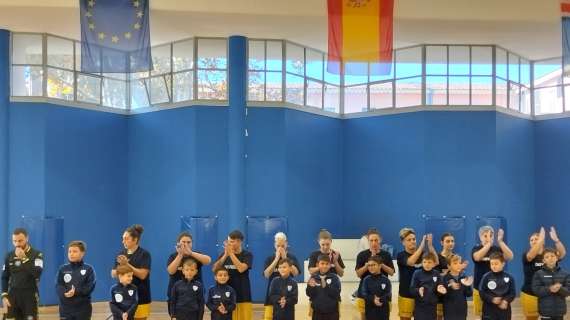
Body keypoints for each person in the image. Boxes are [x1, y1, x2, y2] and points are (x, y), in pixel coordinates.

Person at [521, 227, 566, 320]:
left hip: (548, 294)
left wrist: (556, 240)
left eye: (536, 239)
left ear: (543, 241)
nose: (533, 241)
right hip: (530, 294)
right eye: (531, 240)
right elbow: (530, 256)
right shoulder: (527, 254)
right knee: (531, 318)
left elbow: (562, 254)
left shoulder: (549, 255)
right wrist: (540, 240)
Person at [1, 228, 43, 320]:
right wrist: (4, 295)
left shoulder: (37, 254)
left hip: (29, 296)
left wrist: (24, 258)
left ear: (27, 238)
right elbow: (4, 277)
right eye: (14, 241)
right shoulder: (9, 255)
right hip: (13, 295)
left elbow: (37, 273)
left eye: (20, 241)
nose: (17, 244)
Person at [396, 228, 438, 320]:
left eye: (414, 239)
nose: (412, 242)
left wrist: (430, 246)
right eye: (409, 240)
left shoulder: (423, 255)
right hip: (406, 295)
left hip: (421, 296)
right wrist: (422, 246)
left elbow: (436, 262)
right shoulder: (401, 255)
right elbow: (411, 262)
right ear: (403, 242)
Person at [471, 225, 513, 318]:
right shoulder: (476, 248)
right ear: (480, 237)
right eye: (485, 236)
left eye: (490, 236)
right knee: (481, 315)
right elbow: (477, 257)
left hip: (497, 290)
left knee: (495, 314)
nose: (488, 238)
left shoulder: (497, 249)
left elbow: (510, 256)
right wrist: (488, 244)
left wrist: (500, 242)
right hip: (480, 289)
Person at [111, 224, 152, 320]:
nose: (123, 241)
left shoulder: (144, 254)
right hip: (122, 298)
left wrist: (127, 264)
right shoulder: (121, 254)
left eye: (126, 238)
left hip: (141, 297)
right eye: (122, 238)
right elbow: (113, 274)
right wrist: (120, 269)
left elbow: (142, 275)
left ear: (135, 239)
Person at [166, 232, 211, 317]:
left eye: (188, 242)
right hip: (177, 297)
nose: (186, 244)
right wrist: (180, 255)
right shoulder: (173, 256)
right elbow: (171, 271)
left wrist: (191, 253)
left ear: (192, 243)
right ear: (178, 243)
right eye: (183, 242)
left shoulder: (196, 254)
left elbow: (208, 260)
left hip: (194, 297)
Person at [212, 230, 253, 320]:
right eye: (230, 241)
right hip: (226, 297)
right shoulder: (224, 255)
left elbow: (241, 268)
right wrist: (225, 255)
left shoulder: (247, 255)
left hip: (243, 295)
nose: (231, 244)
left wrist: (231, 254)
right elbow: (214, 269)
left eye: (233, 242)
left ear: (239, 242)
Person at [355, 228, 394, 320]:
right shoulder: (362, 255)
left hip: (382, 294)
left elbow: (391, 272)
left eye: (376, 240)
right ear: (368, 241)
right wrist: (367, 265)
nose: (374, 243)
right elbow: (358, 274)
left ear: (380, 240)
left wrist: (379, 262)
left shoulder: (386, 255)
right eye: (371, 240)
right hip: (365, 294)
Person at [263, 232, 300, 320]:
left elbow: (296, 273)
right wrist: (276, 259)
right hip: (272, 298)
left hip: (288, 300)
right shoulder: (270, 258)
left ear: (286, 244)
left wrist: (285, 258)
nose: (280, 248)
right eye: (278, 245)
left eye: (282, 246)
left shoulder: (292, 257)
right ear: (274, 245)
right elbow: (266, 274)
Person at [55, 240, 96, 320]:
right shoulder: (62, 269)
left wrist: (75, 292)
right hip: (65, 310)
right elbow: (58, 285)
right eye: (69, 251)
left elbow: (89, 287)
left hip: (83, 309)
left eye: (75, 251)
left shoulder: (88, 269)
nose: (71, 254)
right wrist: (65, 292)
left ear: (82, 253)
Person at [531, 247, 570, 320]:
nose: (550, 258)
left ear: (557, 258)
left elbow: (568, 291)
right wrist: (550, 289)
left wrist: (560, 289)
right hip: (545, 311)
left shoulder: (565, 274)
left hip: (559, 312)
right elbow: (536, 290)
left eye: (552, 256)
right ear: (544, 260)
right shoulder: (538, 274)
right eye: (547, 257)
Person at [479, 252, 516, 320]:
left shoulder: (509, 277)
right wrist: (491, 299)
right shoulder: (486, 277)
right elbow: (481, 292)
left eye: (496, 264)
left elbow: (512, 293)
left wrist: (506, 301)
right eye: (491, 264)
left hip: (504, 310)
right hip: (489, 310)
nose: (493, 266)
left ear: (503, 264)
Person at [410, 252, 447, 320]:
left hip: (432, 308)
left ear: (433, 264)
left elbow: (439, 291)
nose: (427, 264)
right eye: (424, 262)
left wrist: (440, 291)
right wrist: (418, 290)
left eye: (429, 262)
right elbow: (411, 290)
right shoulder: (417, 273)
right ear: (422, 262)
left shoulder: (436, 274)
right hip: (420, 307)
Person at [306, 254, 341, 320]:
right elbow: (309, 294)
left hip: (332, 313)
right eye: (322, 263)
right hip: (317, 312)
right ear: (317, 265)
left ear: (330, 265)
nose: (324, 266)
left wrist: (326, 286)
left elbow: (336, 293)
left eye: (327, 264)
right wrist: (311, 287)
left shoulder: (334, 278)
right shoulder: (313, 277)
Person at [441, 254, 473, 320]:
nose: (458, 265)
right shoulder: (445, 278)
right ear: (449, 266)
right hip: (449, 311)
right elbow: (441, 294)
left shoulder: (464, 277)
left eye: (460, 263)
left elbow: (469, 294)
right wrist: (449, 286)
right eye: (455, 263)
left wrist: (468, 285)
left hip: (462, 309)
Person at [360, 255, 391, 320]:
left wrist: (379, 300)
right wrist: (373, 299)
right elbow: (363, 293)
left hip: (383, 312)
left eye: (373, 265)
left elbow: (388, 294)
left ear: (380, 266)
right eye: (369, 265)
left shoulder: (386, 280)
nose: (371, 267)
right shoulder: (366, 280)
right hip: (370, 311)